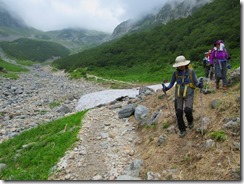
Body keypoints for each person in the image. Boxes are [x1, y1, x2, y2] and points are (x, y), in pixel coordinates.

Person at [162, 55, 203, 137]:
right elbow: (171, 83)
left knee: (187, 110)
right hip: (178, 93)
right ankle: (182, 129)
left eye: (182, 65)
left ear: (185, 64)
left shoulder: (191, 72)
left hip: (189, 92)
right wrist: (166, 88)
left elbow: (195, 81)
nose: (181, 67)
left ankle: (190, 121)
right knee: (179, 112)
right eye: (179, 65)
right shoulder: (175, 73)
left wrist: (199, 85)